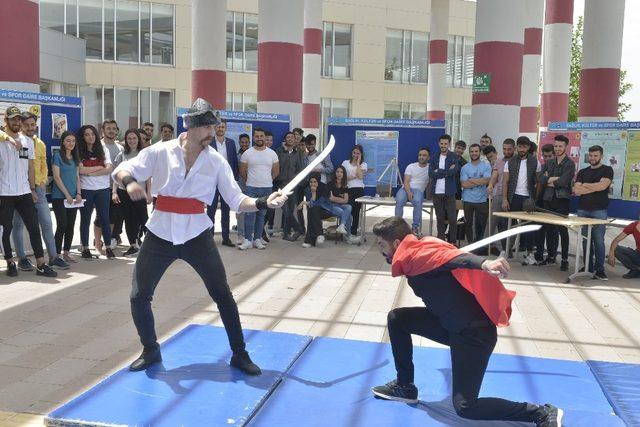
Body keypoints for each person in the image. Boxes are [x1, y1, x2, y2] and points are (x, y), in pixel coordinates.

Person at [112, 98, 288, 373]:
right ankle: (150, 350)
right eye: (207, 126)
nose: (212, 131)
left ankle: (240, 354)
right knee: (139, 295)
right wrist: (130, 182)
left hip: (197, 233)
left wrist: (265, 202)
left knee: (223, 295)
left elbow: (236, 199)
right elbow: (122, 170)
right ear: (191, 126)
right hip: (160, 232)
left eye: (214, 126)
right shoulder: (160, 151)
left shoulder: (216, 161)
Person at [370, 217, 562, 426]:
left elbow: (455, 258)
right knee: (397, 319)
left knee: (465, 406)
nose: (380, 250)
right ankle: (405, 385)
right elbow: (446, 257)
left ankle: (540, 412)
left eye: (382, 244)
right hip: (449, 324)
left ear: (397, 244)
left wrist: (484, 264)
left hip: (474, 335)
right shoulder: (418, 251)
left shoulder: (419, 255)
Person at [0, 107, 57, 277]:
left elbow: (30, 167)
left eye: (19, 119)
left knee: (34, 228)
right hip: (5, 192)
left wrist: (32, 189)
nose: (16, 122)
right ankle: (10, 261)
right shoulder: (1, 140)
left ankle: (41, 264)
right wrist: (7, 138)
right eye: (13, 119)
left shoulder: (27, 142)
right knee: (6, 229)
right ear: (6, 120)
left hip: (24, 191)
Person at [11, 112, 70, 270]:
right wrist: (30, 189)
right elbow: (23, 167)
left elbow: (43, 165)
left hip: (40, 188)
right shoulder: (19, 143)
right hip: (23, 189)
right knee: (18, 225)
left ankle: (53, 257)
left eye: (32, 125)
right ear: (21, 126)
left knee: (46, 223)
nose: (30, 128)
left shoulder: (41, 143)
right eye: (27, 125)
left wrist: (41, 183)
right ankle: (22, 259)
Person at [575, 145, 613, 279]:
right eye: (590, 155)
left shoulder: (607, 170)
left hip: (599, 211)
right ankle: (587, 266)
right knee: (586, 241)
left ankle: (600, 269)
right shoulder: (582, 171)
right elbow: (577, 190)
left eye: (595, 156)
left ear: (601, 156)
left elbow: (603, 186)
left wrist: (585, 184)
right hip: (583, 210)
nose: (592, 158)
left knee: (598, 241)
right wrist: (595, 187)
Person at [502, 136, 541, 265]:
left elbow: (539, 182)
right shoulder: (510, 162)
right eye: (520, 146)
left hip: (528, 198)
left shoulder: (535, 162)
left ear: (528, 147)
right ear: (517, 147)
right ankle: (506, 250)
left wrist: (536, 198)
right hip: (514, 197)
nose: (522, 149)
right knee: (508, 225)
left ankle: (530, 254)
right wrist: (504, 199)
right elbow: (505, 182)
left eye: (524, 147)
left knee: (529, 227)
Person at [538, 135, 575, 271]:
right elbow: (541, 178)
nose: (557, 148)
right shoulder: (549, 162)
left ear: (566, 147)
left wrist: (550, 179)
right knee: (549, 229)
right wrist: (552, 180)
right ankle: (551, 256)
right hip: (548, 199)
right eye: (556, 146)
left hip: (562, 200)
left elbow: (563, 182)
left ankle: (564, 259)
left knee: (562, 230)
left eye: (560, 146)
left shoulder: (570, 164)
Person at [77, 124, 115, 259]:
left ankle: (108, 247)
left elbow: (109, 168)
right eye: (87, 134)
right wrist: (100, 167)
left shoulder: (103, 148)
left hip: (103, 189)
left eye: (92, 134)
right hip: (86, 189)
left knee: (104, 218)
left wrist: (92, 172)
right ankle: (85, 248)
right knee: (85, 219)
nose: (90, 137)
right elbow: (81, 171)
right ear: (83, 137)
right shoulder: (79, 150)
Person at [112, 129, 151, 256]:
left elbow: (147, 177)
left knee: (143, 218)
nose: (132, 141)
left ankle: (152, 244)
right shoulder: (121, 155)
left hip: (139, 192)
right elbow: (116, 175)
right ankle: (133, 245)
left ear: (138, 139)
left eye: (134, 138)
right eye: (129, 138)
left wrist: (149, 193)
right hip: (124, 192)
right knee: (129, 219)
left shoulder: (143, 154)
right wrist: (114, 192)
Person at [239, 128, 280, 250]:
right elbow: (242, 171)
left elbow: (276, 172)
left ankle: (257, 239)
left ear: (264, 137)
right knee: (249, 214)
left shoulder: (272, 153)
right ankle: (247, 240)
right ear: (253, 138)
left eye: (261, 136)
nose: (259, 138)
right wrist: (250, 181)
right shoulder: (247, 153)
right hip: (251, 188)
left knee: (261, 215)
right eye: (257, 136)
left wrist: (267, 180)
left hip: (267, 188)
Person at [51, 130, 82, 264]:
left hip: (73, 198)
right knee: (62, 225)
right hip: (60, 197)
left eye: (73, 141)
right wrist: (67, 195)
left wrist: (79, 193)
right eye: (68, 141)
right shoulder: (57, 156)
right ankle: (56, 254)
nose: (71, 143)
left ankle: (66, 253)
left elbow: (77, 177)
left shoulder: (75, 157)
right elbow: (57, 178)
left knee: (70, 225)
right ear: (63, 142)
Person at [208, 119, 239, 247]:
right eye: (218, 127)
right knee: (211, 210)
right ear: (215, 128)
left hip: (226, 180)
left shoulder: (231, 143)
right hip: (212, 181)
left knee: (226, 210)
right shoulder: (209, 142)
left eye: (223, 127)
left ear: (225, 129)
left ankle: (226, 238)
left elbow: (234, 161)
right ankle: (209, 239)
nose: (220, 129)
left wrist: (235, 179)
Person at [96, 119, 123, 250]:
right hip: (100, 187)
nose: (111, 131)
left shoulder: (121, 148)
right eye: (108, 128)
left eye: (114, 128)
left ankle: (108, 240)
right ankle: (97, 242)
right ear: (103, 130)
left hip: (116, 187)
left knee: (113, 217)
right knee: (100, 217)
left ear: (117, 131)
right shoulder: (98, 146)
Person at [429, 134, 459, 243]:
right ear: (438, 144)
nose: (443, 145)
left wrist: (439, 171)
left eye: (445, 143)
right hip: (437, 193)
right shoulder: (434, 157)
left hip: (449, 192)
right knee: (440, 219)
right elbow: (431, 174)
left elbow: (454, 172)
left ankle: (453, 242)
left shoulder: (454, 156)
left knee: (452, 219)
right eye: (441, 143)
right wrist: (446, 172)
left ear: (449, 144)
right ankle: (441, 242)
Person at [487, 139, 515, 255]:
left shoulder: (517, 161)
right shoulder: (498, 161)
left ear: (514, 148)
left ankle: (508, 249)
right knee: (491, 222)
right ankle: (487, 247)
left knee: (511, 224)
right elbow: (494, 176)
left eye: (509, 149)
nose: (506, 151)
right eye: (504, 149)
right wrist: (490, 184)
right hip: (498, 195)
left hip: (512, 195)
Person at [395, 147, 430, 236]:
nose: (421, 157)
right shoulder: (411, 166)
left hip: (418, 191)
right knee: (399, 201)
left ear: (428, 157)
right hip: (405, 189)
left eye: (424, 155)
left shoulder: (430, 168)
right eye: (420, 155)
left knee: (418, 201)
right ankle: (396, 226)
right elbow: (406, 181)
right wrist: (409, 192)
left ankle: (415, 228)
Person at [460, 144, 491, 244]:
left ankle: (479, 244)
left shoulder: (486, 166)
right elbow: (464, 184)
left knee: (481, 224)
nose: (474, 153)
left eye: (476, 151)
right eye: (472, 151)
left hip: (482, 200)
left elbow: (486, 181)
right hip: (468, 199)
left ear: (480, 152)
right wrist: (479, 180)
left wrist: (472, 180)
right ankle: (470, 244)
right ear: (469, 153)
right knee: (468, 223)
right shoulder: (465, 167)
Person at [276, 131, 305, 241]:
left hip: (293, 186)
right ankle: (298, 228)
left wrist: (296, 181)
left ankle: (286, 233)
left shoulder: (297, 153)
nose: (290, 139)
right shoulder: (279, 151)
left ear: (294, 140)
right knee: (285, 209)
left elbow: (300, 169)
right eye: (288, 137)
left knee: (291, 209)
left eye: (292, 137)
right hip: (280, 185)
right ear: (285, 139)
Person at [533, 144, 555, 265]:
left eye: (549, 156)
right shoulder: (542, 166)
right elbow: (540, 181)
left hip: (553, 201)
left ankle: (552, 255)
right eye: (545, 156)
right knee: (540, 229)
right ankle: (539, 254)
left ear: (554, 154)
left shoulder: (557, 167)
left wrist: (546, 179)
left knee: (552, 231)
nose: (547, 158)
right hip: (541, 200)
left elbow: (560, 181)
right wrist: (546, 179)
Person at [342, 145, 367, 240]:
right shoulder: (345, 163)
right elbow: (343, 177)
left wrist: (357, 163)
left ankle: (353, 232)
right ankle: (346, 230)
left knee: (356, 212)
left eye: (358, 153)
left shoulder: (363, 164)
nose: (355, 155)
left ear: (361, 155)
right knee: (348, 210)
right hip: (348, 189)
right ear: (351, 153)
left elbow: (360, 176)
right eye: (354, 153)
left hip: (359, 189)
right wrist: (354, 176)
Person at [298, 173, 328, 248]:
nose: (313, 184)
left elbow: (320, 203)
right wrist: (313, 193)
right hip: (315, 211)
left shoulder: (323, 188)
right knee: (312, 210)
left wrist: (304, 202)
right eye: (311, 182)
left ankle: (309, 240)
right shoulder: (308, 189)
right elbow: (312, 204)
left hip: (326, 210)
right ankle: (319, 234)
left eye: (315, 182)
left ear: (318, 181)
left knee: (313, 210)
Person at [326, 165, 355, 240]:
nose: (339, 173)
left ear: (343, 174)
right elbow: (331, 198)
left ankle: (342, 225)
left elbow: (346, 200)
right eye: (338, 172)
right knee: (349, 216)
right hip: (332, 206)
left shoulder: (345, 185)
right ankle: (348, 236)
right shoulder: (330, 184)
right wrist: (339, 199)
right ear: (335, 173)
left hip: (341, 205)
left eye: (341, 172)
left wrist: (336, 199)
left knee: (349, 207)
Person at [235, 133, 251, 245]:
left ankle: (251, 234)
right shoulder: (236, 155)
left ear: (249, 143)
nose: (244, 144)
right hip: (240, 186)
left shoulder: (253, 154)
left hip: (252, 186)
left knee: (252, 212)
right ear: (239, 143)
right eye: (242, 142)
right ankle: (240, 235)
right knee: (241, 212)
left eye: (246, 142)